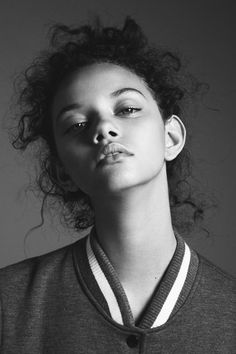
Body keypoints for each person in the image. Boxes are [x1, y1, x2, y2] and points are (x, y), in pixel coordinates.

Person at [0, 17, 235, 353]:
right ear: (62, 170)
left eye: (126, 108)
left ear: (171, 137)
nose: (104, 127)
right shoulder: (8, 304)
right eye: (77, 124)